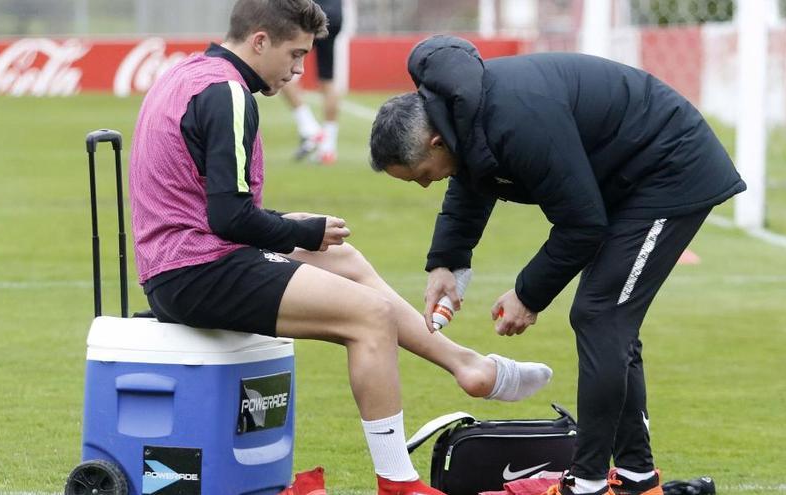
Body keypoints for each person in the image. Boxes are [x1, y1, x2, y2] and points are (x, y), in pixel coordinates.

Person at [128, 5, 553, 495]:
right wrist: (303, 232)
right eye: (295, 54)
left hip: (182, 257)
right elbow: (230, 218)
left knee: (345, 260)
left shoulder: (188, 71)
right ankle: (398, 482)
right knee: (369, 315)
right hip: (196, 268)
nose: (298, 70)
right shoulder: (227, 93)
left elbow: (212, 208)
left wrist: (298, 230)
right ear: (260, 42)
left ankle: (467, 365)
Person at [369, 35, 746, 495]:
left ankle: (587, 484)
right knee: (606, 318)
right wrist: (448, 263)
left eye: (423, 175)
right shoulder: (460, 113)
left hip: (669, 169)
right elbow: (472, 181)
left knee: (600, 313)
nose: (427, 185)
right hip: (626, 180)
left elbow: (583, 225)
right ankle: (636, 478)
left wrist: (528, 294)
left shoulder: (513, 120)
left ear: (434, 141)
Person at [280, 0, 342, 164]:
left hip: (309, 15)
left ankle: (310, 129)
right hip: (335, 15)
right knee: (327, 80)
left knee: (281, 71)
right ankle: (328, 148)